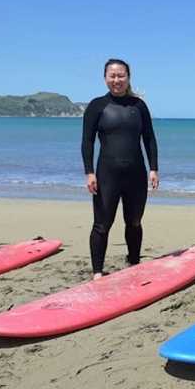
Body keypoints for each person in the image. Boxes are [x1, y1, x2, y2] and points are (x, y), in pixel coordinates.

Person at [81, 59, 159, 279]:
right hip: (107, 175)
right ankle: (97, 271)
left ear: (128, 77)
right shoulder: (97, 106)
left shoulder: (139, 106)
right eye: (112, 76)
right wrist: (89, 172)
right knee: (102, 224)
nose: (117, 80)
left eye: (121, 75)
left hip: (136, 174)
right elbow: (87, 142)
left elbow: (149, 139)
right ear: (105, 78)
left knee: (134, 221)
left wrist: (153, 168)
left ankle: (134, 263)